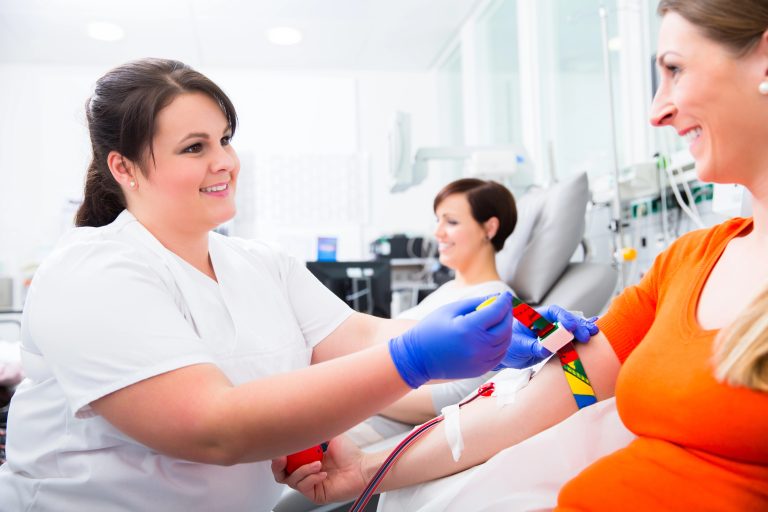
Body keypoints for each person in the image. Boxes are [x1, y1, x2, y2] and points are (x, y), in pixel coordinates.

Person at [273, 1, 768, 510]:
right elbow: (556, 397)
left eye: (675, 69)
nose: (656, 109)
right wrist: (362, 471)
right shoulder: (686, 262)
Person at [0, 57, 553, 512]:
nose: (225, 163)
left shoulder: (259, 262)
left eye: (225, 139)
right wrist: (416, 357)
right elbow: (214, 426)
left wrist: (501, 334)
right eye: (195, 148)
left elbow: (358, 335)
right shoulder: (92, 273)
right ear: (124, 168)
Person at [347, 178, 520, 445]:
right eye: (438, 220)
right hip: (358, 409)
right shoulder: (450, 289)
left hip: (370, 425)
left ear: (490, 227)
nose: (438, 233)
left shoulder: (494, 302)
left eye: (451, 222)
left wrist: (348, 391)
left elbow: (449, 398)